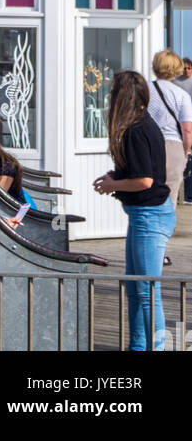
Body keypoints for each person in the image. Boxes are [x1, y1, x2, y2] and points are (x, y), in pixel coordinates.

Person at [94, 69, 174, 351]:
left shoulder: (138, 129)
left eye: (113, 92)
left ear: (123, 97)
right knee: (135, 288)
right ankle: (138, 347)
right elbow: (142, 173)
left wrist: (112, 184)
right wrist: (115, 179)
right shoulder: (141, 124)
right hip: (145, 215)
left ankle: (157, 348)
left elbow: (145, 181)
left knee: (146, 291)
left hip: (150, 217)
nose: (110, 98)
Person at [147, 50, 192, 210]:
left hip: (147, 145)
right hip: (172, 146)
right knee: (169, 197)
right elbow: (187, 130)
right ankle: (163, 233)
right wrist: (186, 150)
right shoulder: (181, 95)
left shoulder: (144, 89)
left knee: (146, 195)